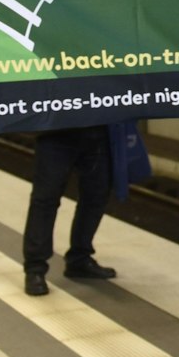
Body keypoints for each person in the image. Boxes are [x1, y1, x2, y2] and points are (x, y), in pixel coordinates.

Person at [21, 124, 118, 295]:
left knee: (96, 197)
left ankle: (79, 258)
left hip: (97, 130)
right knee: (45, 199)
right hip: (55, 132)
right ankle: (35, 268)